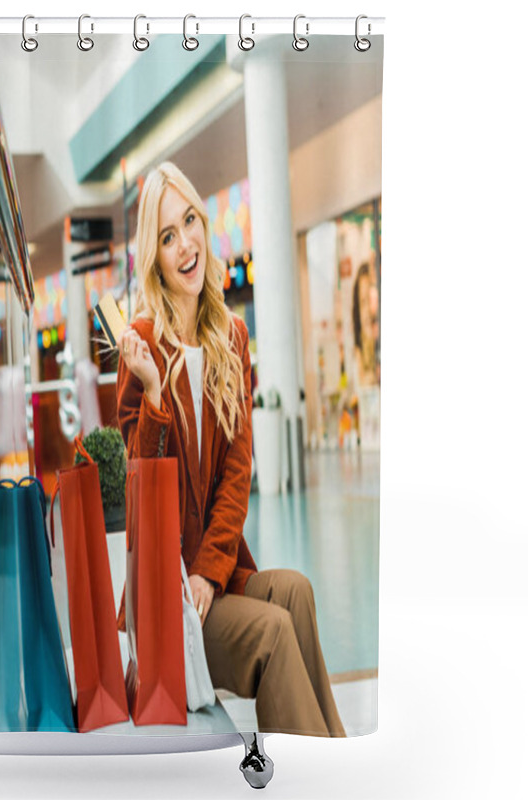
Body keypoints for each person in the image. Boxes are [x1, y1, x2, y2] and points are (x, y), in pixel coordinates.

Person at [116, 162, 345, 736]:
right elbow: (143, 486)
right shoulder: (141, 344)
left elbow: (237, 471)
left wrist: (211, 574)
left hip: (209, 579)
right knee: (272, 633)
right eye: (167, 236)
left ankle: (333, 757)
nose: (185, 243)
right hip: (169, 601)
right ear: (156, 255)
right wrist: (152, 393)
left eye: (189, 221)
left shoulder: (232, 338)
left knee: (294, 589)